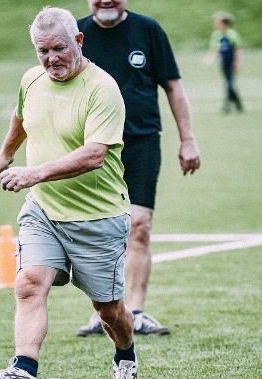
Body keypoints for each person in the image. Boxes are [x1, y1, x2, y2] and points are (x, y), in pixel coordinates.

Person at [0, 6, 139, 379]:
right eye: (42, 51)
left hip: (97, 217)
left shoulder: (102, 89)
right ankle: (22, 372)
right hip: (44, 211)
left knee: (108, 310)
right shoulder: (32, 80)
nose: (51, 60)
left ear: (78, 41)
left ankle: (126, 358)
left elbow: (95, 155)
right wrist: (5, 154)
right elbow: (21, 118)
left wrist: (33, 173)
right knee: (29, 284)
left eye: (59, 49)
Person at [76, 0, 200, 337]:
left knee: (140, 226)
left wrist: (187, 139)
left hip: (142, 142)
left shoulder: (148, 30)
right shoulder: (76, 34)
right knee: (97, 233)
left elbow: (173, 86)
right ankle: (104, 311)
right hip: (92, 148)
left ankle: (137, 310)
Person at [203, 11, 244, 113]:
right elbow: (215, 49)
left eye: (217, 22)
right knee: (228, 83)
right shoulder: (216, 35)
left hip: (231, 62)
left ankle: (227, 106)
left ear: (224, 23)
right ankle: (238, 104)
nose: (215, 24)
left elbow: (236, 49)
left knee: (229, 83)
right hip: (223, 62)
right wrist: (209, 59)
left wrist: (237, 62)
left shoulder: (232, 34)